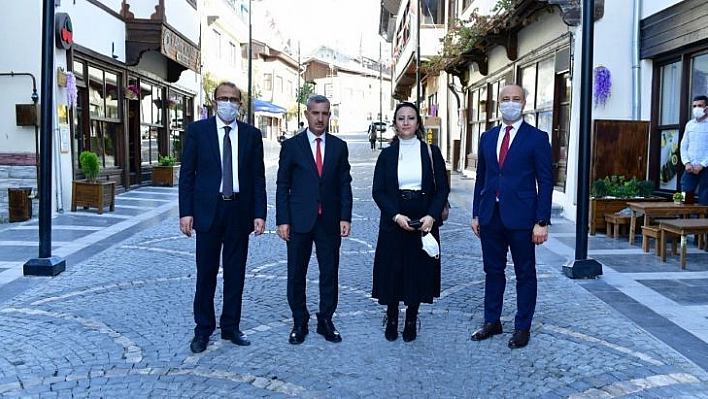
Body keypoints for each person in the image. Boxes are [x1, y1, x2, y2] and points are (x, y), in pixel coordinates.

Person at [178, 81, 267, 354]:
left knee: (235, 273)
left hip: (239, 211)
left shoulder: (252, 135)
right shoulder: (198, 131)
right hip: (207, 210)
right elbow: (187, 175)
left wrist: (259, 213)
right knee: (206, 274)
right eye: (223, 98)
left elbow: (257, 177)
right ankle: (203, 329)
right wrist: (186, 212)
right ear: (214, 101)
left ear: (240, 104)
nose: (228, 103)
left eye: (233, 99)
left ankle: (230, 327)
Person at [470, 84, 553, 349]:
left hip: (523, 219)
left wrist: (542, 221)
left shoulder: (537, 138)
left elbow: (546, 181)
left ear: (524, 103)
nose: (510, 103)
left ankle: (522, 327)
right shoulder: (487, 137)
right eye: (505, 98)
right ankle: (492, 321)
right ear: (498, 103)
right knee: (493, 271)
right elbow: (481, 178)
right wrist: (475, 213)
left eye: (516, 99)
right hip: (490, 216)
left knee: (525, 274)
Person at [276, 94, 353, 344]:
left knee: (329, 272)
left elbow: (344, 183)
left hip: (329, 220)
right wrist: (282, 220)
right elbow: (282, 184)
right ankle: (299, 320)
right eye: (315, 113)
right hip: (299, 220)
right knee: (296, 273)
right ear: (306, 114)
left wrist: (345, 216)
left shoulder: (339, 147)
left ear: (330, 115)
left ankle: (326, 320)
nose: (320, 118)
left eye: (325, 113)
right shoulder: (291, 146)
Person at [371, 102, 450, 342]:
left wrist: (431, 216)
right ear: (394, 123)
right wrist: (395, 215)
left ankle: (412, 318)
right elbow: (379, 191)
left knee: (418, 269)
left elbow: (442, 189)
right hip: (395, 216)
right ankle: (392, 315)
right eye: (401, 118)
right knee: (392, 268)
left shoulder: (431, 152)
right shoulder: (387, 155)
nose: (406, 122)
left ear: (418, 123)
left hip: (424, 216)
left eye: (411, 118)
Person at [679, 94, 708, 205]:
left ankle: (703, 221)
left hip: (705, 168)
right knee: (685, 194)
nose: (696, 108)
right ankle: (682, 219)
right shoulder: (690, 124)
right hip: (690, 167)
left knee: (705, 197)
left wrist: (702, 164)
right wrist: (686, 163)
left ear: (706, 108)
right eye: (694, 106)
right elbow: (684, 145)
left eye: (700, 105)